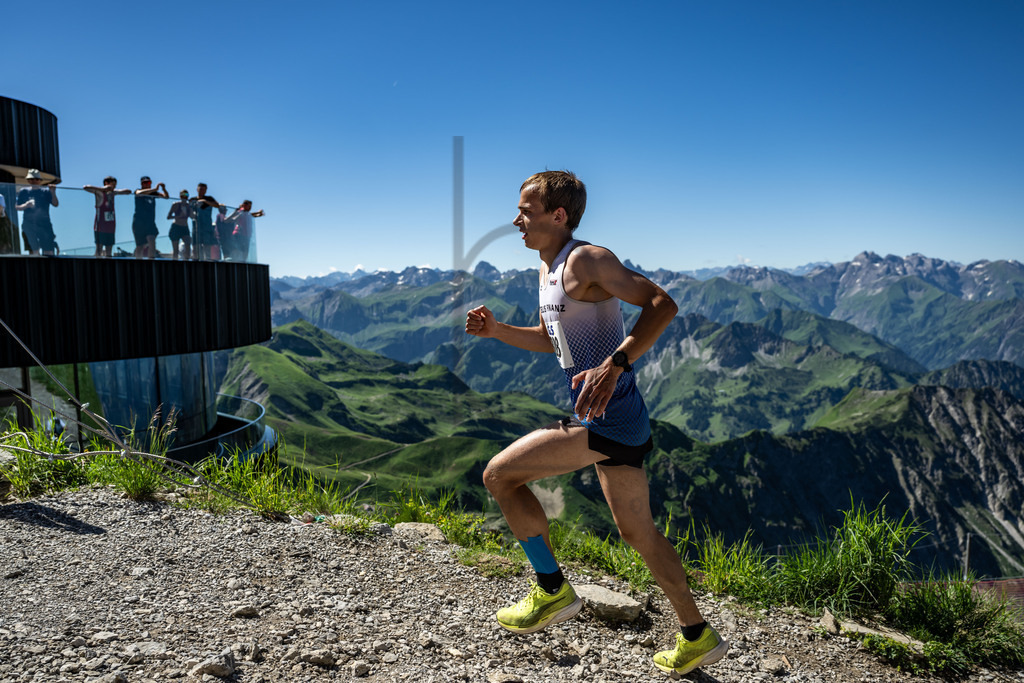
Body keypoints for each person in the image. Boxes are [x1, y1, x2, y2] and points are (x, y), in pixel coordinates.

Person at [464, 171, 729, 676]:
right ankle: (698, 635)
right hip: (619, 419)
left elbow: (662, 304)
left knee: (499, 475)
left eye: (526, 210)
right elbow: (551, 340)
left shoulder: (587, 258)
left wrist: (616, 363)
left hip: (606, 415)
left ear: (558, 216)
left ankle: (550, 590)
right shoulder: (548, 272)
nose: (516, 220)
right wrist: (498, 331)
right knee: (640, 535)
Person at [84, 176, 132, 257]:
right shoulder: (99, 193)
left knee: (109, 250)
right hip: (100, 226)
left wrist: (115, 191)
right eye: (112, 185)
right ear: (106, 184)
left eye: (114, 186)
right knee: (99, 248)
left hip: (110, 227)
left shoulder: (113, 193)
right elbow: (86, 187)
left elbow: (128, 191)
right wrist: (103, 189)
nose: (113, 187)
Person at [15, 169, 59, 255]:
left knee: (48, 251)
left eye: (36, 179)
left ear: (40, 180)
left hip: (45, 224)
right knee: (34, 251)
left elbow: (55, 203)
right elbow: (17, 207)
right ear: (28, 180)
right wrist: (26, 205)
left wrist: (53, 192)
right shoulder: (23, 191)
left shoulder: (45, 191)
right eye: (31, 179)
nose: (34, 181)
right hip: (29, 225)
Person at [132, 176, 169, 258]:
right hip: (139, 222)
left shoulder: (153, 194)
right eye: (144, 183)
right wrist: (155, 189)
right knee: (140, 246)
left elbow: (166, 197)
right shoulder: (138, 191)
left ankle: (151, 260)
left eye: (148, 182)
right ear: (141, 184)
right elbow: (138, 193)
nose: (147, 184)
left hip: (150, 223)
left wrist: (163, 189)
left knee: (152, 241)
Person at [189, 183, 221, 261]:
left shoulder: (209, 198)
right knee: (196, 247)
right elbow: (188, 211)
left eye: (203, 189)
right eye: (200, 189)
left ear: (206, 190)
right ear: (197, 190)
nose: (202, 191)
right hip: (196, 227)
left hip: (207, 227)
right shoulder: (192, 199)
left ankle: (207, 262)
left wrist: (205, 201)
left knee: (207, 246)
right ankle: (196, 262)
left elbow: (217, 205)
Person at [167, 189, 193, 260]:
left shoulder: (188, 206)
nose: (184, 197)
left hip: (185, 228)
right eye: (183, 195)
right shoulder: (175, 204)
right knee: (176, 250)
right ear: (180, 196)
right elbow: (168, 216)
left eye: (186, 195)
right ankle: (175, 265)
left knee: (188, 244)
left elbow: (192, 216)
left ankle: (186, 262)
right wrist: (177, 216)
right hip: (176, 227)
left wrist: (191, 208)